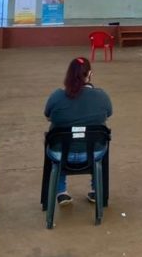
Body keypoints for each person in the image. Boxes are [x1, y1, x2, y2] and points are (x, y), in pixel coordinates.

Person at [43, 57, 112, 205]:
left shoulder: (57, 96)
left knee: (59, 137)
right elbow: (108, 114)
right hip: (94, 153)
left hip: (60, 154)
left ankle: (61, 191)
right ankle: (96, 190)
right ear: (90, 74)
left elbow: (48, 116)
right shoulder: (101, 96)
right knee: (95, 138)